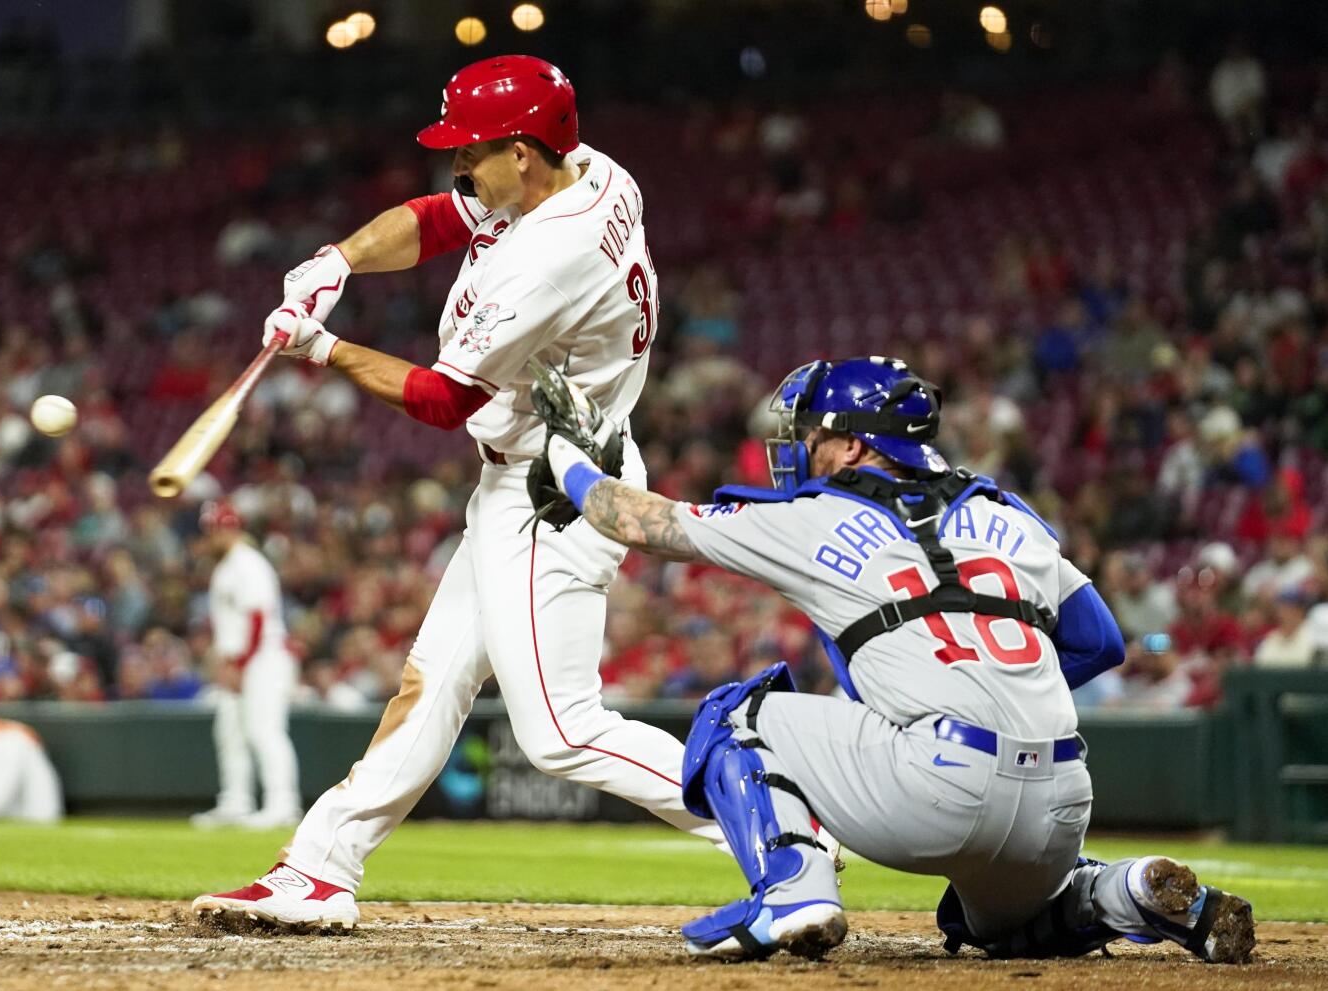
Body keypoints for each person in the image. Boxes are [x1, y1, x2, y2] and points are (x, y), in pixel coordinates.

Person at [193, 55, 721, 931]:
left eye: (473, 149)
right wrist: (340, 259)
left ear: (522, 152)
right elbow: (441, 219)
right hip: (539, 468)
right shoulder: (588, 169)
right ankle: (319, 869)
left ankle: (772, 817)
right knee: (430, 682)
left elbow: (446, 400)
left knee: (561, 730)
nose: (459, 164)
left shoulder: (549, 255)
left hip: (557, 489)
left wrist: (323, 348)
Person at [531, 355, 1255, 963]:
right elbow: (1100, 642)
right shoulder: (1007, 515)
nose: (800, 449)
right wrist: (992, 686)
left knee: (736, 714)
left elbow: (633, 518)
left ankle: (793, 889)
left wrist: (562, 452)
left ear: (852, 446)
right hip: (1061, 799)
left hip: (933, 785)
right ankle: (1121, 891)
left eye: (813, 435)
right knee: (987, 927)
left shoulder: (810, 516)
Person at [190, 499, 302, 830]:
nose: (210, 537)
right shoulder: (227, 566)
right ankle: (235, 803)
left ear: (229, 528)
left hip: (262, 658)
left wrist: (240, 663)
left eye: (214, 530)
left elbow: (257, 618)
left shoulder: (248, 564)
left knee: (264, 731)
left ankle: (283, 804)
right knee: (230, 733)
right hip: (238, 660)